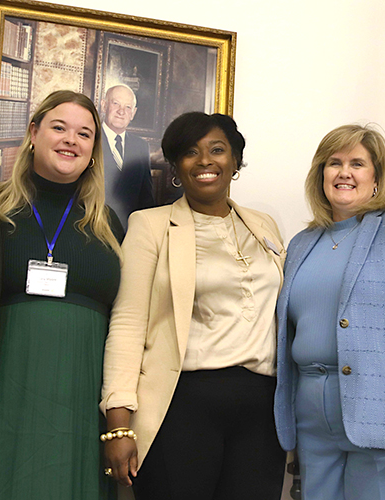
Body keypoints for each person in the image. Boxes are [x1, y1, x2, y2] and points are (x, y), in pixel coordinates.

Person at [0, 91, 123, 500]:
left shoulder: (110, 226)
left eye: (84, 133)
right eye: (59, 127)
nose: (71, 139)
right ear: (34, 133)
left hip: (80, 393)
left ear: (94, 150)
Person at [101, 112, 287, 500]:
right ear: (176, 167)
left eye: (217, 150)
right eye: (190, 152)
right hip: (183, 405)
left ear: (235, 161)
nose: (205, 161)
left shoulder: (265, 225)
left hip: (262, 410)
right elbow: (128, 323)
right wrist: (118, 424)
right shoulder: (150, 225)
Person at [275, 124, 385, 500]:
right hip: (311, 417)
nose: (344, 172)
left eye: (357, 163)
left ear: (376, 177)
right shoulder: (301, 243)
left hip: (384, 413)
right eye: (334, 163)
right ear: (320, 174)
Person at [101, 84, 155, 228]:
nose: (121, 111)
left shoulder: (141, 147)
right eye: (116, 103)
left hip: (129, 233)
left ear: (133, 113)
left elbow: (146, 198)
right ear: (104, 105)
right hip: (92, 231)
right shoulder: (89, 140)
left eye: (128, 107)